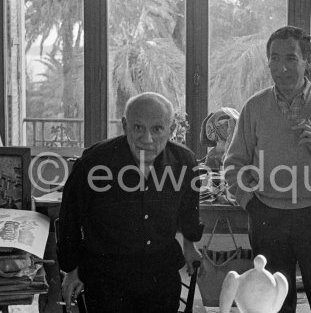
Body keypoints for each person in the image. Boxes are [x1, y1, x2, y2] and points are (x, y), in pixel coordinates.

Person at [224, 25, 311, 313]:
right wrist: (250, 202)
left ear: (307, 61)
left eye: (290, 58)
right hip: (267, 216)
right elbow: (233, 165)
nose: (281, 67)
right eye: (274, 58)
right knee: (272, 305)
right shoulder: (254, 107)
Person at [57, 92, 203, 313]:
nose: (147, 139)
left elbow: (188, 211)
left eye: (157, 129)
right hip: (107, 276)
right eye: (138, 128)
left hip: (159, 274)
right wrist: (71, 270)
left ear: (172, 130)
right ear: (125, 125)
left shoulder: (184, 162)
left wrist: (190, 245)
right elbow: (70, 218)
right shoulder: (93, 163)